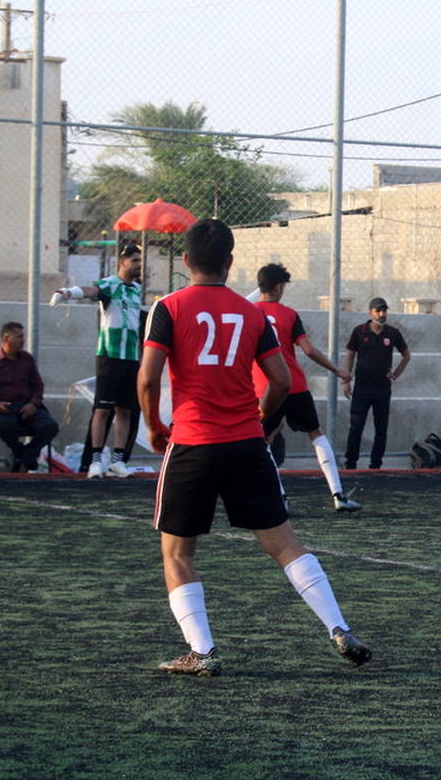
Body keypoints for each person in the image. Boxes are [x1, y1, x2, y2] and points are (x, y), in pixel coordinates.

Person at [137, 218, 371, 677]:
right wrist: (259, 419)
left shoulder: (168, 307)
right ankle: (338, 627)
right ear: (229, 261)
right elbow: (280, 380)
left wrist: (154, 426)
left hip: (193, 443)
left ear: (185, 260)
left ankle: (202, 652)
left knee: (178, 554)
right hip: (247, 442)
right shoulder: (253, 314)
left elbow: (147, 378)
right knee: (284, 545)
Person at [253, 263, 362, 513]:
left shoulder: (248, 313)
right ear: (278, 287)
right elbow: (309, 350)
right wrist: (338, 370)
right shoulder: (289, 314)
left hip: (266, 389)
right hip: (294, 385)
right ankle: (338, 494)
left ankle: (280, 498)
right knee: (316, 433)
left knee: (261, 441)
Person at [52, 242, 144, 479]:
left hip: (131, 357)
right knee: (102, 409)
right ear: (122, 262)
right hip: (109, 356)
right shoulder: (110, 284)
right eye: (134, 260)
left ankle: (117, 461)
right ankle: (94, 460)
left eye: (140, 260)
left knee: (125, 410)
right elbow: (91, 290)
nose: (139, 265)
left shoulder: (136, 289)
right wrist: (69, 293)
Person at [0, 322, 59, 473]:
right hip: (3, 408)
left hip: (26, 406)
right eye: (19, 337)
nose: (23, 340)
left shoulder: (27, 359)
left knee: (50, 426)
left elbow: (38, 385)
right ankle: (20, 452)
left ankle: (25, 455)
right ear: (6, 338)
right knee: (5, 426)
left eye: (23, 336)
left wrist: (33, 404)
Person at [342, 297, 411, 470]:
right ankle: (351, 463)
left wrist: (396, 373)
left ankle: (376, 464)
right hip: (362, 388)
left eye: (384, 310)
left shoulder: (392, 333)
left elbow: (406, 355)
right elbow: (350, 354)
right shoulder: (359, 331)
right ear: (370, 312)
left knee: (381, 429)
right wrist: (346, 380)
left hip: (382, 389)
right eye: (378, 310)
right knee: (356, 427)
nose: (381, 314)